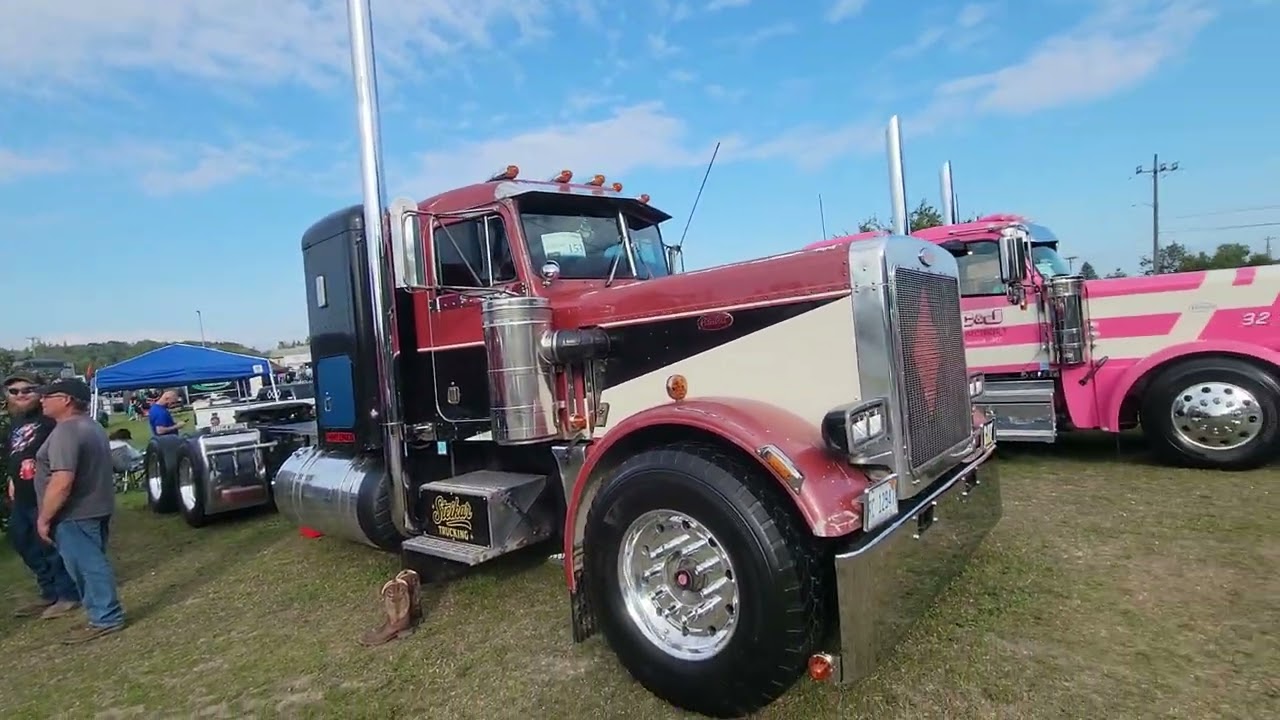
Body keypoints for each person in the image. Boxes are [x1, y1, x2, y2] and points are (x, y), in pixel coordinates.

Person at [34, 377, 126, 643]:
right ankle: (102, 614)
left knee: (87, 566)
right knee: (91, 563)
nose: (42, 400)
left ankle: (106, 617)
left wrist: (44, 518)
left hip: (74, 512)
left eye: (48, 396)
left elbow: (62, 480)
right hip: (96, 506)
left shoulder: (67, 431)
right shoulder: (91, 425)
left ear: (66, 400)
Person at [4, 371, 81, 619]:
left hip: (44, 492)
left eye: (27, 390)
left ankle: (68, 594)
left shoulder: (50, 419)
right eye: (14, 391)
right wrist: (11, 479)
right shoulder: (16, 423)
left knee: (49, 544)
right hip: (22, 495)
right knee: (22, 541)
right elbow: (15, 455)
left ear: (40, 392)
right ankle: (49, 591)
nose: (20, 395)